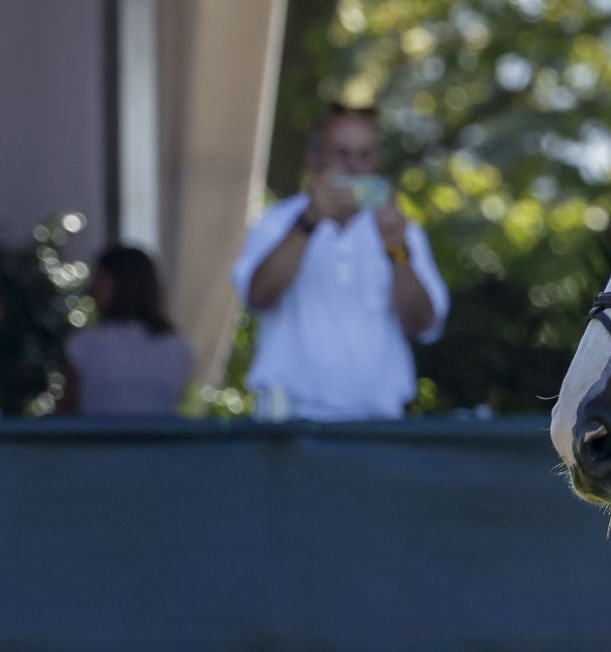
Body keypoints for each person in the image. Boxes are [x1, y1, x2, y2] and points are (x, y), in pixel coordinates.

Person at [231, 104, 449, 420]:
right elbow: (259, 296)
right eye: (342, 153)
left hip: (378, 421)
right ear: (315, 159)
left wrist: (396, 248)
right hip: (289, 422)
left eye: (365, 155)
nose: (354, 167)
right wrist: (310, 220)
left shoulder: (402, 230)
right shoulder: (276, 223)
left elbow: (422, 323)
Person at [57, 246, 195, 416]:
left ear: (120, 285)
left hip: (100, 442)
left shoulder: (85, 345)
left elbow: (65, 410)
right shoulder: (179, 348)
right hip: (158, 442)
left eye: (99, 281)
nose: (90, 291)